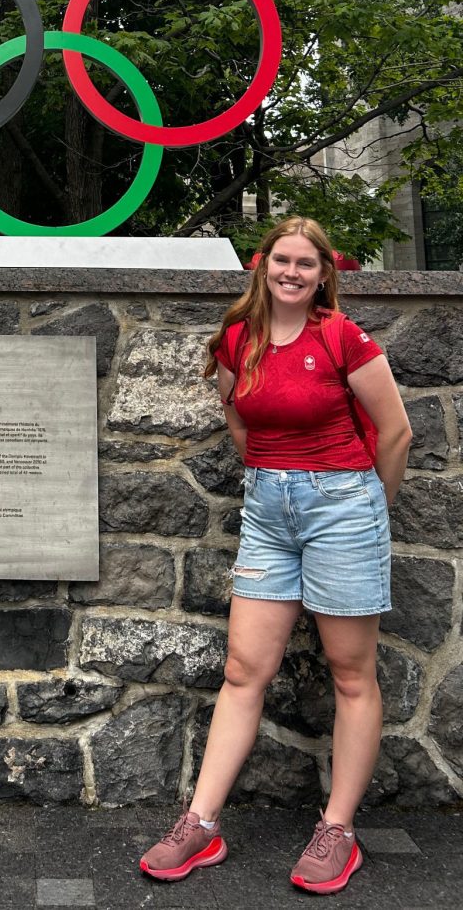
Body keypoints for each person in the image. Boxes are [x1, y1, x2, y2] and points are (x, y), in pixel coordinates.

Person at [139, 216, 412, 894]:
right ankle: (200, 824)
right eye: (282, 261)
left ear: (324, 275)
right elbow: (236, 414)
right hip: (268, 510)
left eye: (306, 264)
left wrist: (366, 507)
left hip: (344, 506)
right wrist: (271, 473)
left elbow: (397, 431)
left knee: (351, 673)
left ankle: (337, 832)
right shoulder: (240, 339)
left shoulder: (341, 337)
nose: (292, 272)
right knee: (242, 670)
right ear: (263, 267)